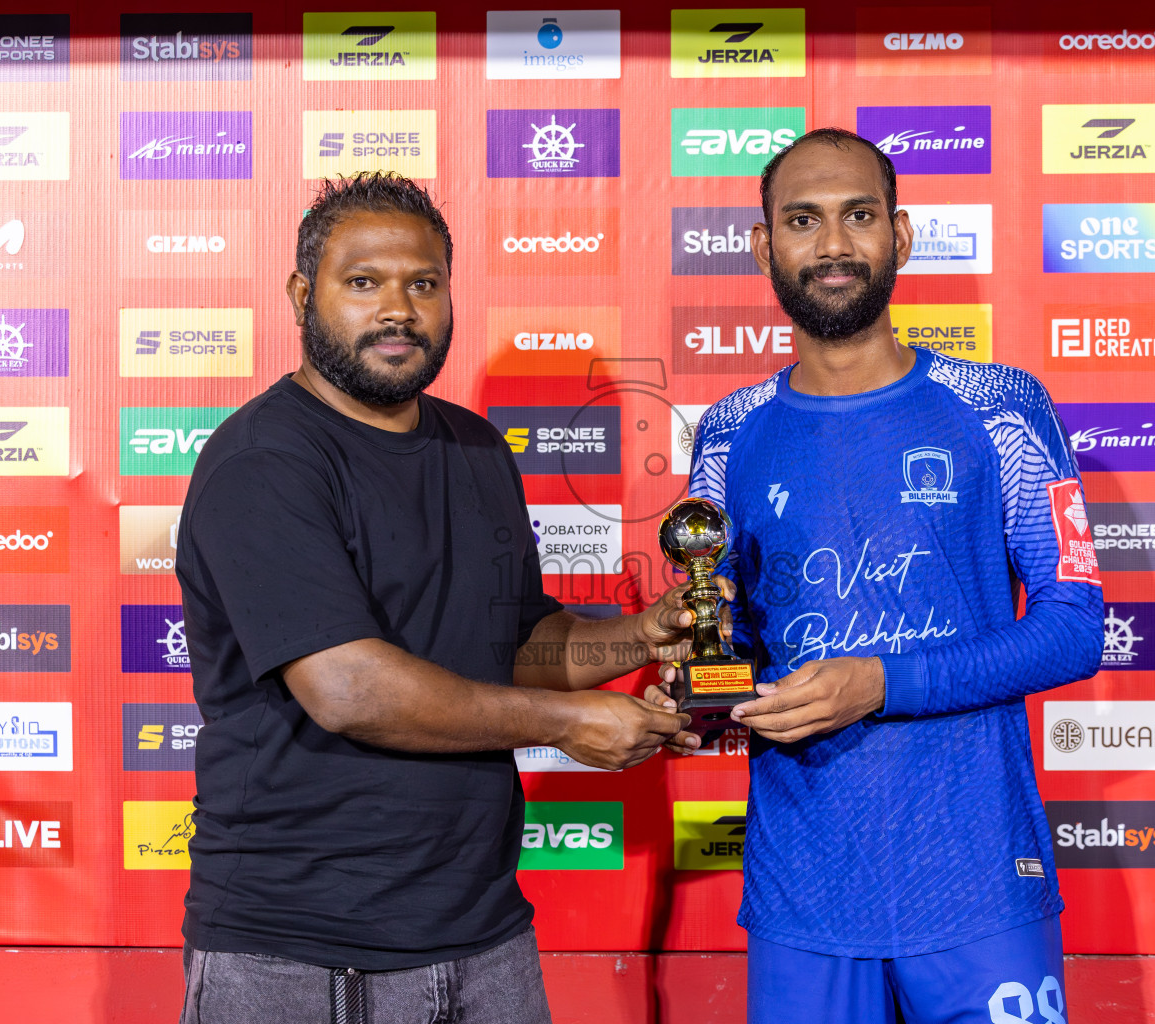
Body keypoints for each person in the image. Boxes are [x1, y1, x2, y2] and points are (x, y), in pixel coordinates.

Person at [175, 172, 699, 1024]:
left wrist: (644, 635)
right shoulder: (263, 462)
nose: (398, 310)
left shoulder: (477, 449)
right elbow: (349, 689)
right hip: (300, 950)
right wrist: (567, 724)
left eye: (423, 283)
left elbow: (517, 646)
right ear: (303, 296)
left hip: (484, 933)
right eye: (363, 282)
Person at [649, 129, 1104, 1024]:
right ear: (764, 246)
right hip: (804, 888)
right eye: (802, 221)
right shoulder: (731, 432)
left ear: (900, 235)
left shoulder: (1001, 406)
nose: (832, 245)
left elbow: (1074, 628)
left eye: (858, 216)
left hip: (978, 875)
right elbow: (734, 645)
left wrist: (880, 683)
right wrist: (696, 692)